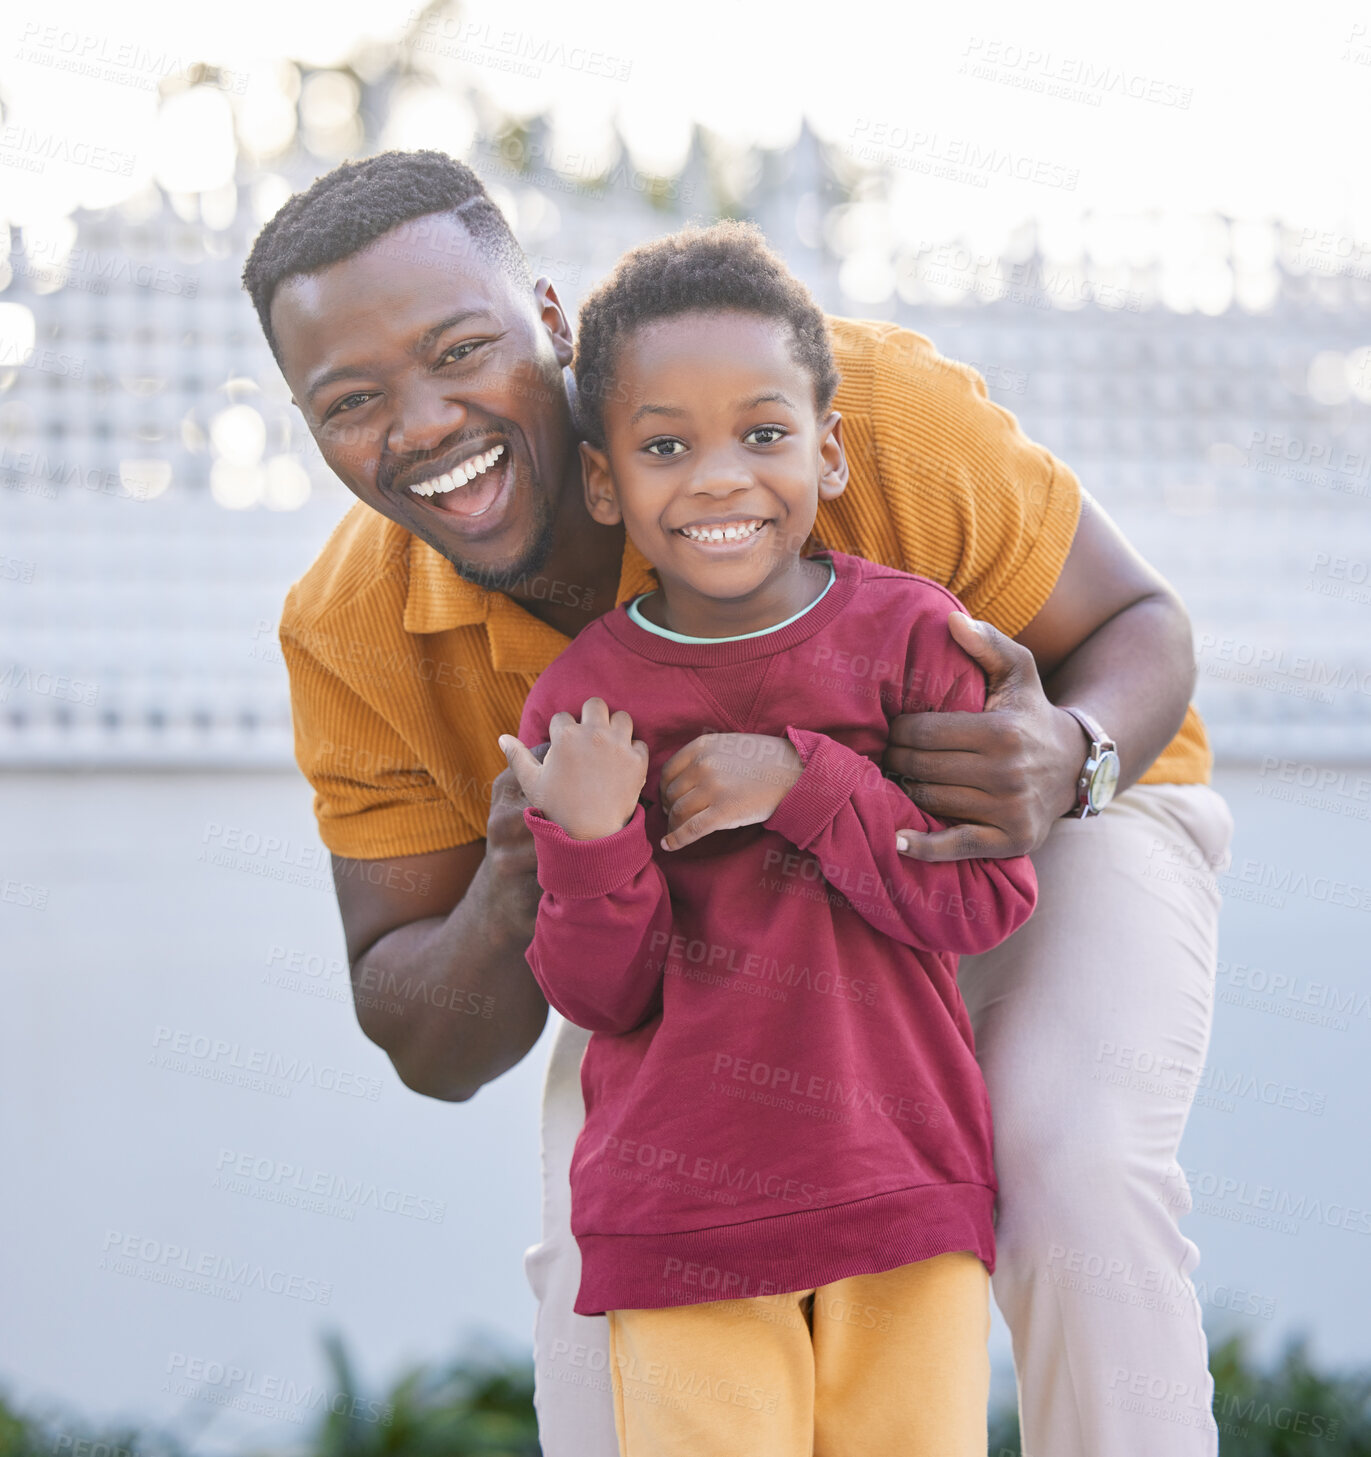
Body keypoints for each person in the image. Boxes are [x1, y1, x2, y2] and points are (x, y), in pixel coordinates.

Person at [241, 149, 1232, 1457]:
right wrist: (514, 879)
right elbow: (424, 1036)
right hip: (699, 924)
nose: (421, 423)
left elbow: (1134, 621)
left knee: (1066, 1161)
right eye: (351, 400)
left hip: (1031, 837)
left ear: (550, 322)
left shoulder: (823, 399)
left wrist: (1072, 750)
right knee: (617, 1265)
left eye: (458, 349)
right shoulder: (351, 629)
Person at [495, 220, 1039, 1455]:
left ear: (830, 452)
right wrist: (587, 841)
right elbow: (600, 992)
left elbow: (985, 899)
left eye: (765, 433)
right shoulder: (581, 704)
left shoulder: (915, 639)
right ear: (603, 480)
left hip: (903, 1185)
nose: (719, 476)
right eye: (665, 445)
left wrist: (799, 778)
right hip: (681, 1216)